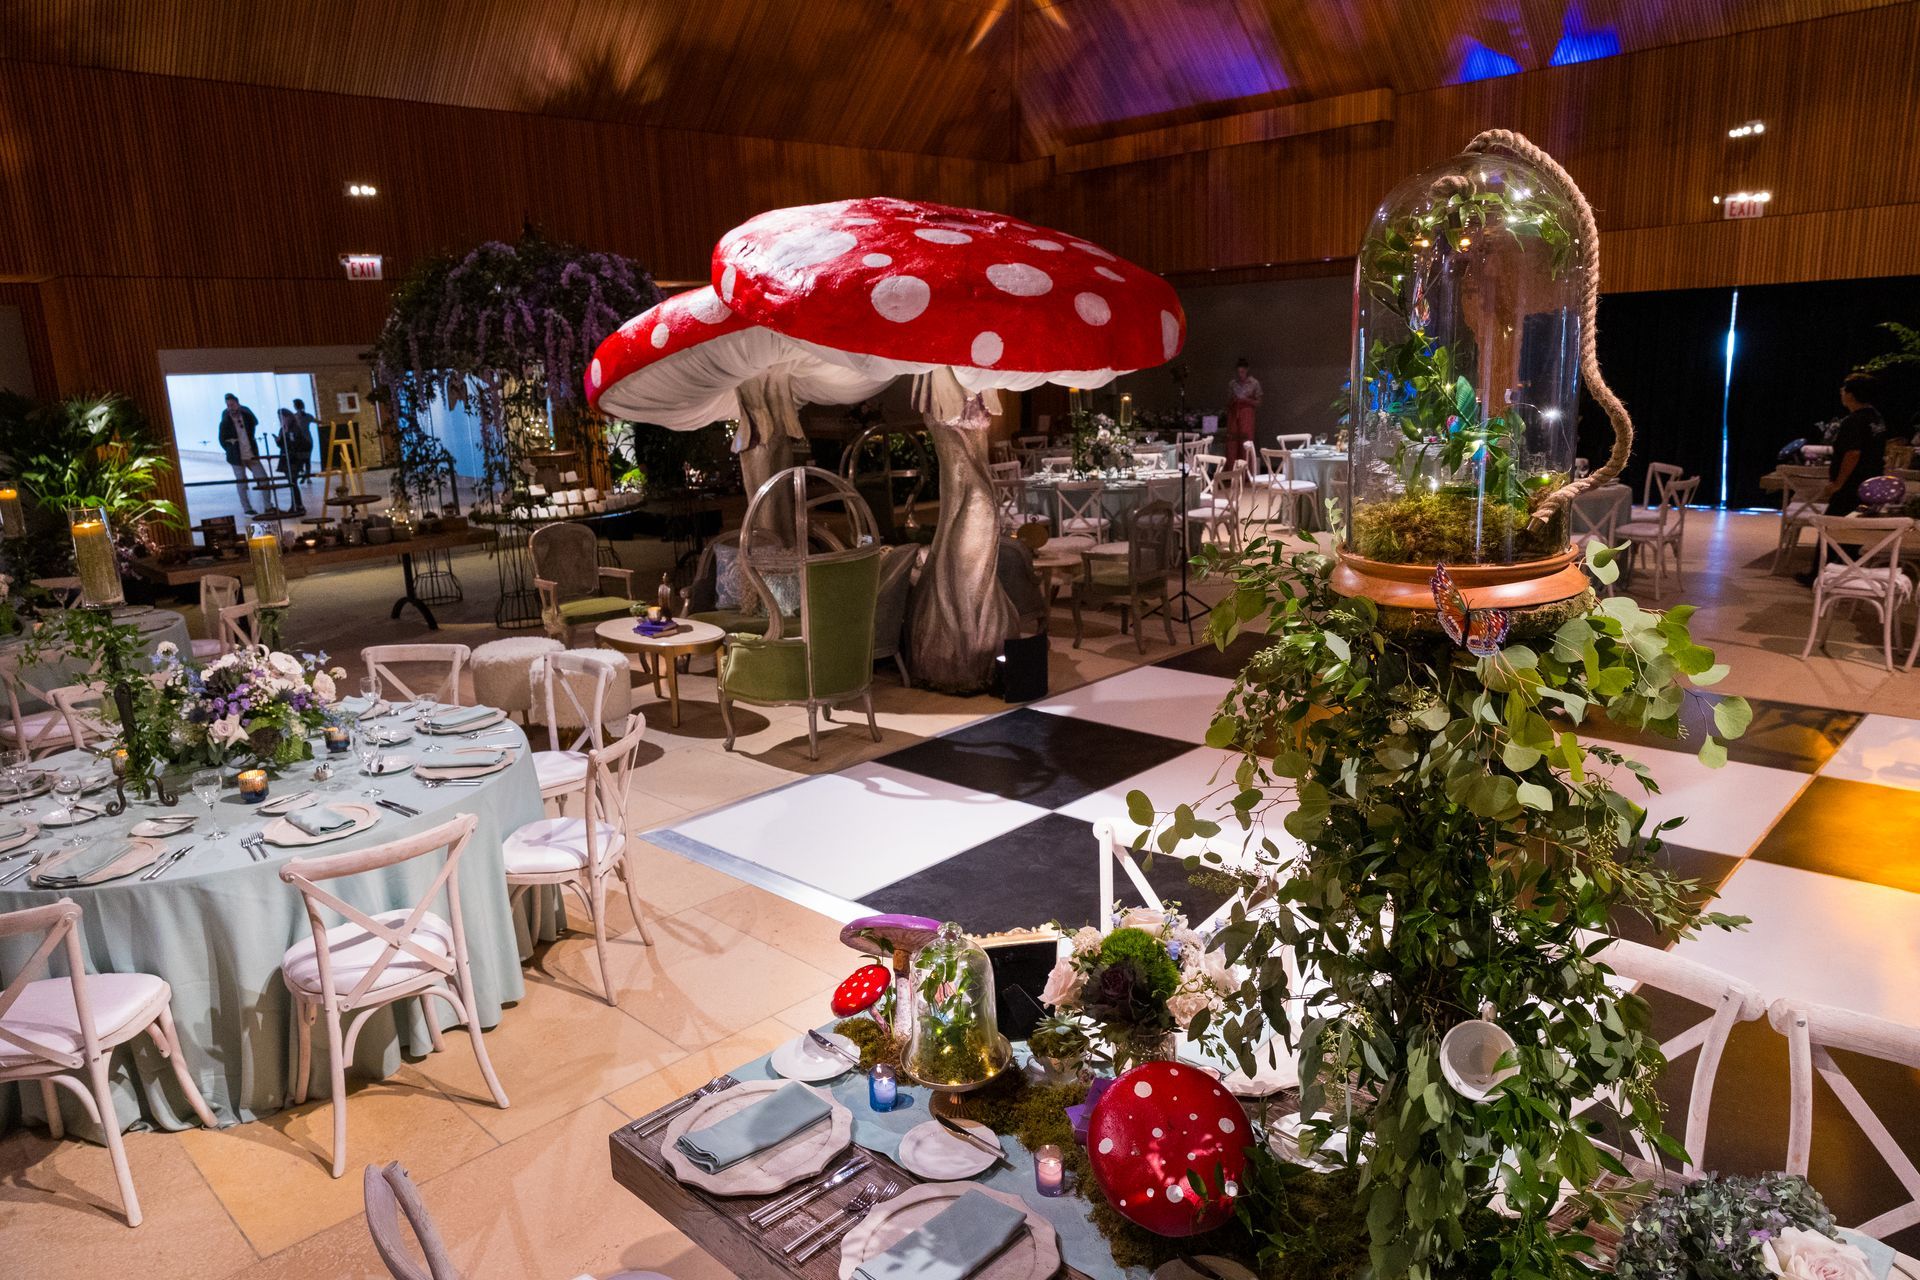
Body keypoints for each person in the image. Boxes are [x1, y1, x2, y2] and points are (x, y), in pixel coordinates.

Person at [1796, 372, 1888, 586]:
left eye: (1844, 389)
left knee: (1829, 529)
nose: (1841, 392)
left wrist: (1838, 483)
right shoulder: (1877, 418)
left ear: (1852, 395)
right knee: (1853, 530)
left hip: (1852, 486)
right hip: (1871, 485)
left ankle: (1818, 577)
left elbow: (1852, 453)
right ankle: (1846, 573)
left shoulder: (1854, 421)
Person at [218, 393, 271, 516]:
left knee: (263, 478)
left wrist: (242, 411)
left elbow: (254, 422)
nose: (230, 407)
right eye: (228, 405)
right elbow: (222, 439)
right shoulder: (225, 419)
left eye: (232, 404)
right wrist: (230, 448)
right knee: (242, 482)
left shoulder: (246, 415)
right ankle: (247, 508)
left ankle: (268, 506)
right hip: (236, 456)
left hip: (251, 453)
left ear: (237, 403)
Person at [1225, 358, 1261, 458]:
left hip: (1247, 415)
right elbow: (1227, 402)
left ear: (1247, 370)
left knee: (1246, 441)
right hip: (1234, 414)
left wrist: (1247, 401)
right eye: (1239, 372)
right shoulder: (1233, 383)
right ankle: (1232, 469)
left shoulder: (1254, 383)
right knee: (1233, 441)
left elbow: (1258, 402)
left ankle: (1246, 469)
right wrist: (1233, 400)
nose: (1241, 374)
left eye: (1243, 372)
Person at [275, 408, 308, 515]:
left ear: (288, 417)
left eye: (283, 417)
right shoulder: (282, 429)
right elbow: (282, 446)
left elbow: (300, 443)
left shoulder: (295, 429)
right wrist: (279, 440)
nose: (282, 420)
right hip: (286, 459)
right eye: (280, 418)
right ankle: (295, 505)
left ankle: (298, 506)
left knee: (293, 483)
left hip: (294, 459)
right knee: (291, 483)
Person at [287, 398, 318, 485]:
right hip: (308, 440)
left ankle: (304, 475)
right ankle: (307, 477)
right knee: (307, 459)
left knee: (300, 459)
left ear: (295, 406)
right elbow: (318, 422)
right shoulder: (308, 416)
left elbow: (289, 428)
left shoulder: (294, 417)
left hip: (299, 441)